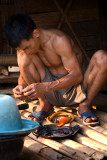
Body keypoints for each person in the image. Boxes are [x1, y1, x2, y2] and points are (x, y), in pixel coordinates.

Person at [5, 14, 107, 126]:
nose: (25, 51)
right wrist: (21, 86)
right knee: (23, 57)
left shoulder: (59, 41)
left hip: (78, 91)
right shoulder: (24, 51)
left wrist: (45, 87)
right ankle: (44, 104)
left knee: (103, 57)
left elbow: (77, 75)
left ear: (36, 33)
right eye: (20, 49)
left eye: (26, 47)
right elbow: (23, 73)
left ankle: (84, 105)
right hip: (49, 94)